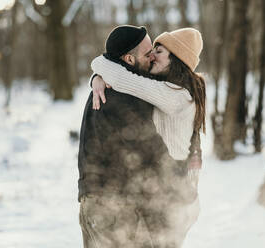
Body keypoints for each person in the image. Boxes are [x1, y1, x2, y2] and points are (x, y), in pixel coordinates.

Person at [78, 25, 196, 248]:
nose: (152, 56)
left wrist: (97, 74)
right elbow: (149, 149)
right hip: (113, 209)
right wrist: (183, 190)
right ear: (129, 60)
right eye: (148, 52)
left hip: (92, 202)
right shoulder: (125, 96)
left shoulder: (109, 87)